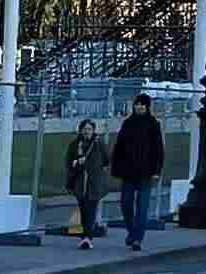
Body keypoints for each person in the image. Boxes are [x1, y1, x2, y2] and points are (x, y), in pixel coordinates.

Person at [110, 93, 167, 250]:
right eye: (137, 104)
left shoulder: (153, 124)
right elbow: (119, 147)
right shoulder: (128, 123)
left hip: (146, 173)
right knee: (126, 205)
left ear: (147, 107)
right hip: (128, 172)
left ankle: (138, 239)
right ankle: (132, 230)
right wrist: (116, 168)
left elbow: (158, 149)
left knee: (142, 207)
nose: (139, 107)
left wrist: (157, 170)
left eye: (142, 104)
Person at [63, 120, 111, 250]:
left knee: (91, 208)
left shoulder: (99, 144)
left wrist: (99, 171)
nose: (86, 131)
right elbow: (68, 161)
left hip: (94, 182)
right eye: (84, 129)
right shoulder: (75, 144)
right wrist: (76, 163)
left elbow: (107, 159)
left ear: (93, 130)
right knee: (83, 209)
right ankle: (85, 234)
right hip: (79, 182)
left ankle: (87, 237)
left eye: (89, 129)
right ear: (80, 130)